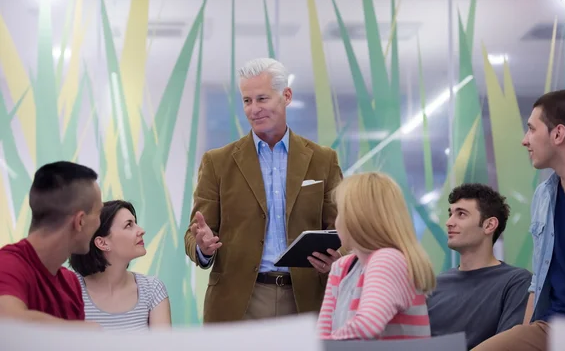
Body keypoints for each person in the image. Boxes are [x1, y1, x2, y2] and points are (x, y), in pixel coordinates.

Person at [183, 58, 344, 323]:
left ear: (286, 96)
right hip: (238, 303)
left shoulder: (322, 159)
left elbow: (341, 228)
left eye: (262, 99)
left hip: (306, 299)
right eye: (247, 101)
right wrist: (203, 247)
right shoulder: (217, 162)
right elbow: (195, 235)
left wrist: (338, 258)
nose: (254, 109)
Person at [473, 89, 565, 351]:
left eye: (531, 129)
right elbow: (538, 281)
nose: (524, 140)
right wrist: (525, 330)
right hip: (550, 328)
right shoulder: (544, 195)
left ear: (558, 134)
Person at [317, 172, 436, 340]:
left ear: (356, 218)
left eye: (340, 213)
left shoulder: (388, 259)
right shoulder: (341, 267)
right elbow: (322, 335)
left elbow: (367, 326)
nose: (337, 222)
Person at [427, 183, 532, 349]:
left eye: (461, 214)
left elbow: (510, 345)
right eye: (450, 214)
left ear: (489, 225)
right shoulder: (435, 285)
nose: (449, 222)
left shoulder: (517, 282)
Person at [0, 161, 102, 325]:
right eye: (99, 213)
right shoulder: (7, 265)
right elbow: (8, 321)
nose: (99, 223)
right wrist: (86, 331)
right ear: (80, 221)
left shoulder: (71, 283)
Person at [69, 200, 171, 331]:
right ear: (102, 243)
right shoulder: (70, 290)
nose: (141, 231)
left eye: (136, 223)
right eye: (129, 225)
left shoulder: (152, 290)